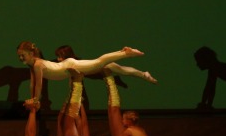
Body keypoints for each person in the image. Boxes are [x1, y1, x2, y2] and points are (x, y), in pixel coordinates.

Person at [16, 41, 150, 110]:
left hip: (70, 66)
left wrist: (36, 99)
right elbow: (32, 84)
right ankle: (143, 74)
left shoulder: (38, 65)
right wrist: (33, 99)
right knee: (109, 66)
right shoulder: (33, 66)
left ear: (31, 54)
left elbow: (39, 85)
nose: (21, 58)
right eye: (19, 56)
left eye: (23, 55)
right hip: (68, 68)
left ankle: (125, 52)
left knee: (99, 62)